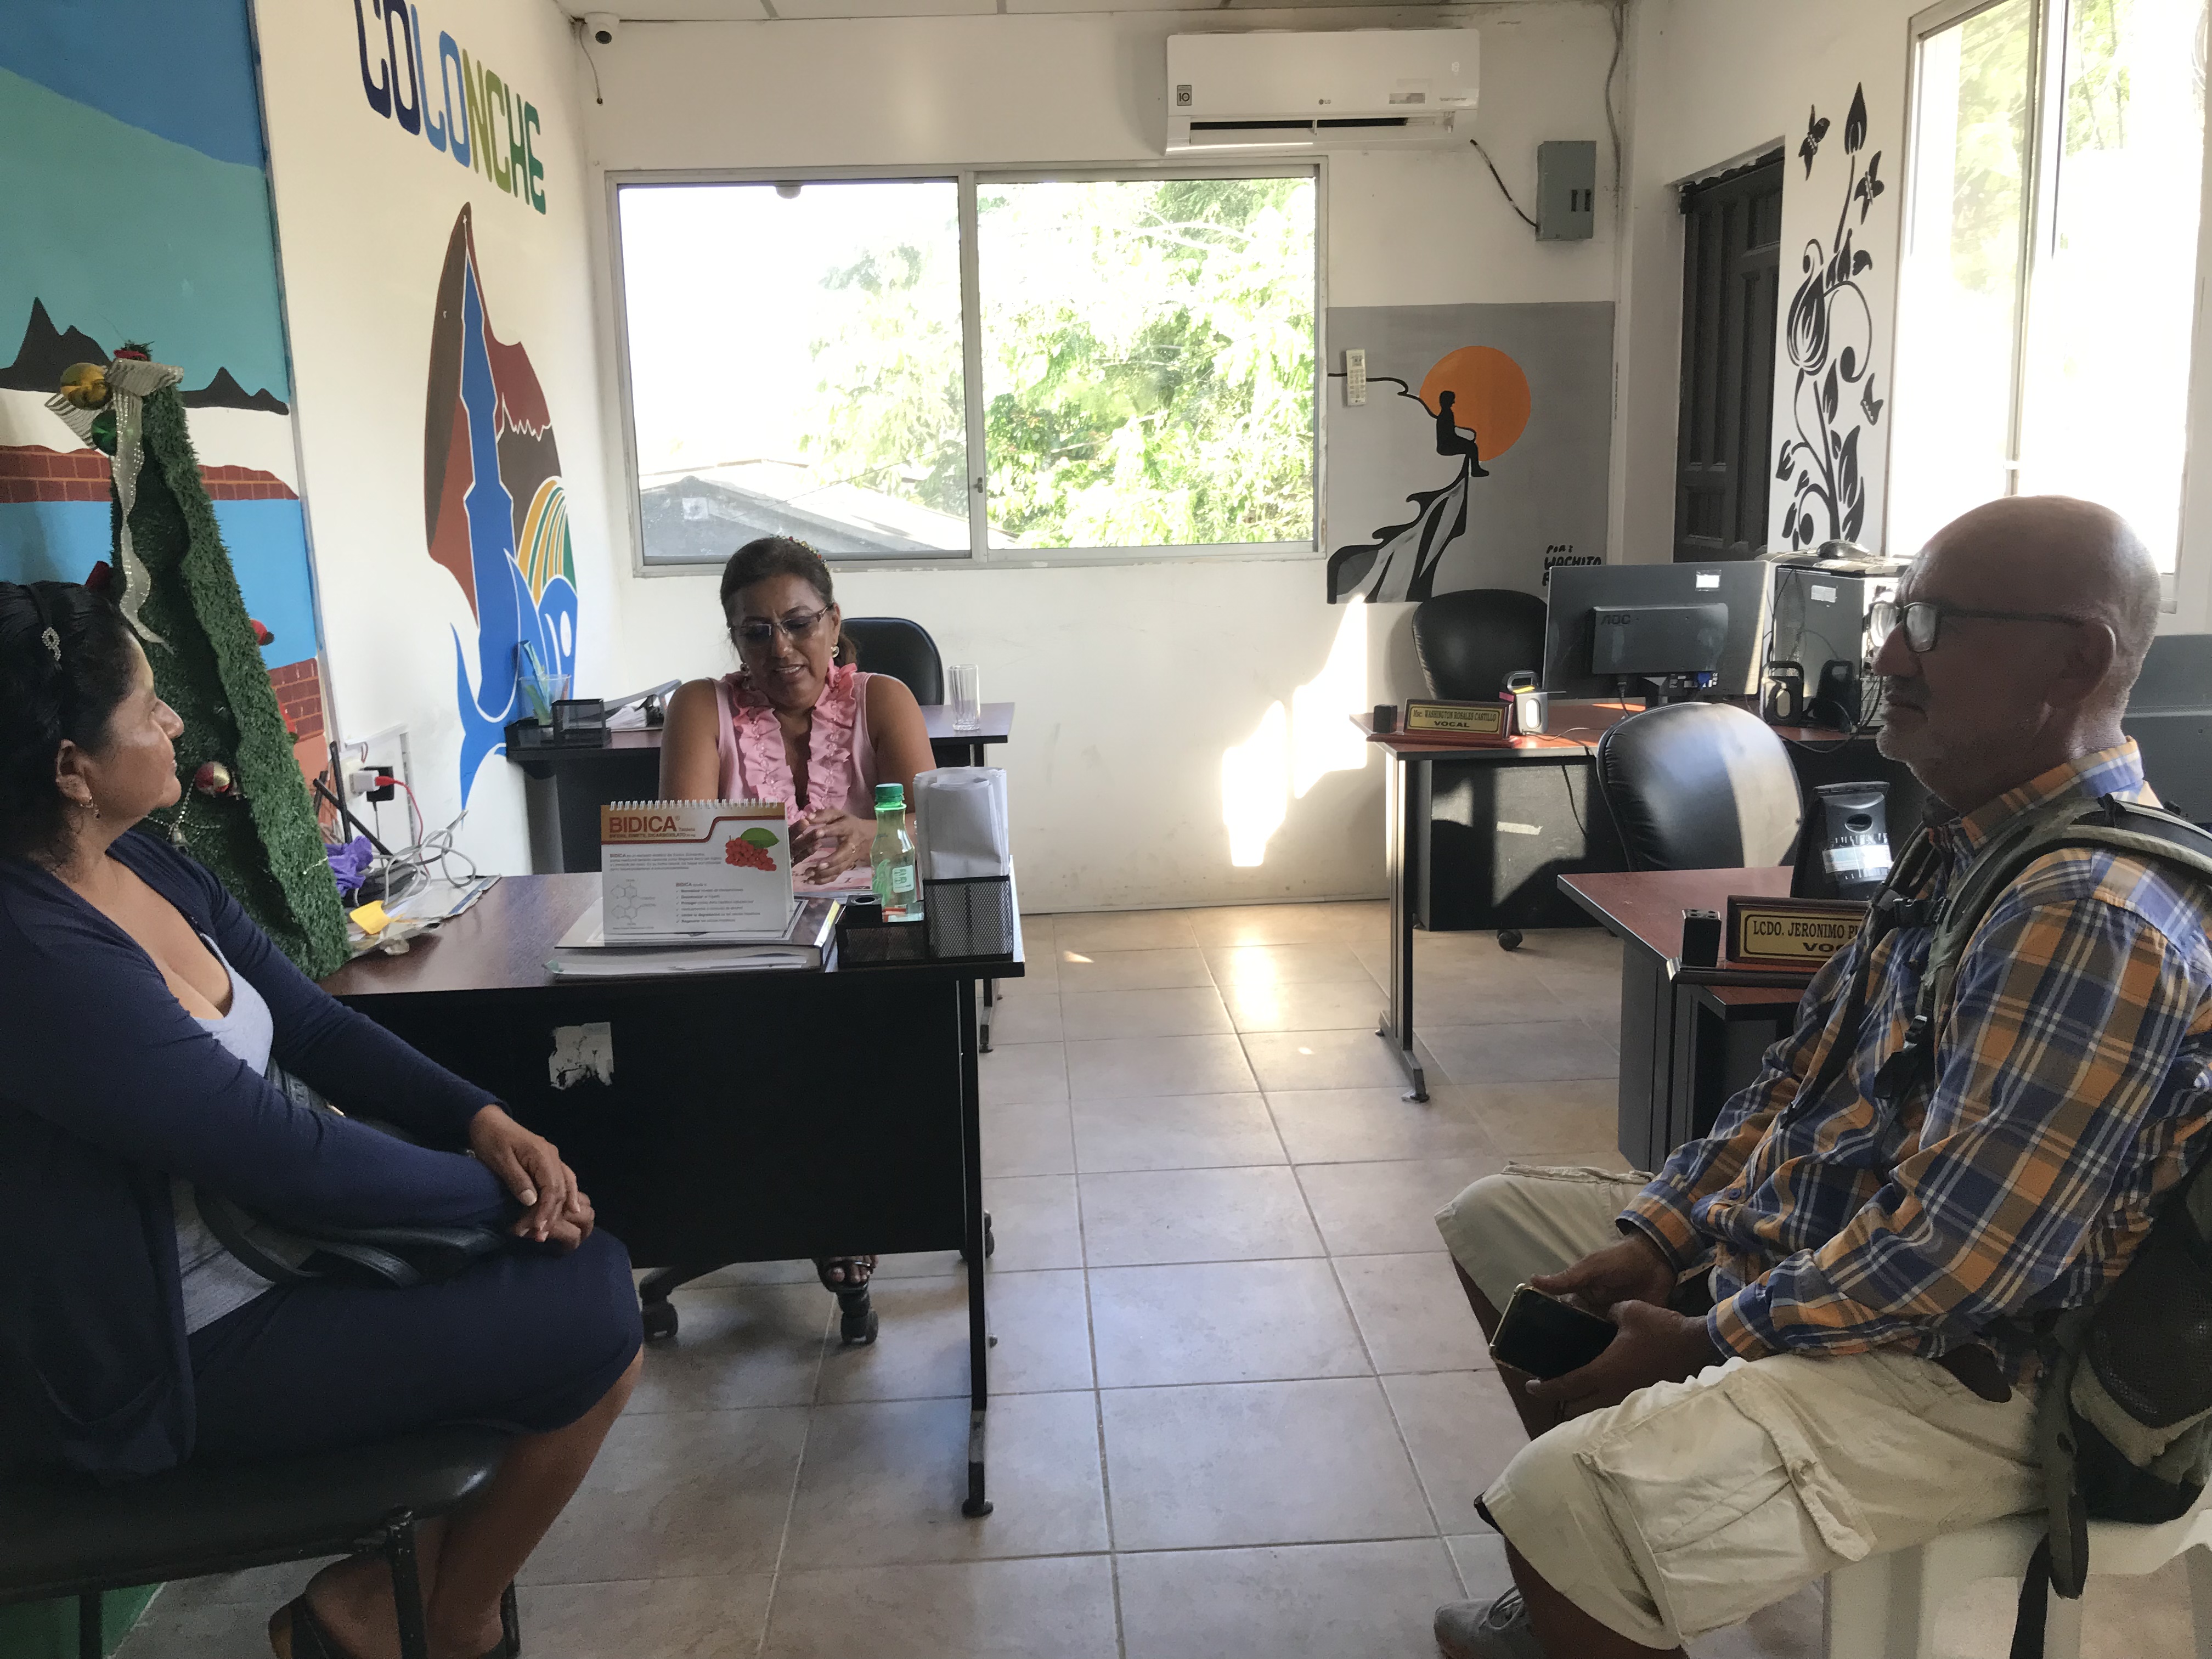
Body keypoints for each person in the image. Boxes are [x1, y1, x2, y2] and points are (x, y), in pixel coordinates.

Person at [1427, 496, 2212, 1658]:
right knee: (1500, 1225)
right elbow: (1799, 1088)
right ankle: (1634, 1571)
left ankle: (1603, 1555)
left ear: (2076, 662)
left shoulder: (2084, 911)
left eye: (1934, 625)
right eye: (1899, 616)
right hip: (1865, 1275)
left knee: (1560, 1507)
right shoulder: (1969, 844)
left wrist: (1710, 1337)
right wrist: (1661, 1236)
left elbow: (1961, 1258)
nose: (1886, 656)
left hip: (1997, 1372)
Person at [0, 581, 644, 1659]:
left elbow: (315, 1027)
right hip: (173, 1358)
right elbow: (286, 1158)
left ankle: (382, 1615)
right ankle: (443, 1622)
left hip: (281, 1263)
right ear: (73, 769)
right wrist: (506, 1190)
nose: (174, 722)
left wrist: (482, 1119)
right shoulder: (36, 958)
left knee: (582, 1297)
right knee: (589, 1308)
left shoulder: (139, 861)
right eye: (149, 707)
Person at [659, 535, 935, 1327]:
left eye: (799, 623)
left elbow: (935, 821)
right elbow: (683, 848)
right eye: (756, 632)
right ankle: (808, 1202)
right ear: (735, 638)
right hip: (744, 946)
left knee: (865, 1038)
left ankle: (842, 1204)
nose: (780, 649)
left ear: (834, 622)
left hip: (870, 939)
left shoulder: (882, 699)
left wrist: (872, 833)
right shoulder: (699, 707)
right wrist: (764, 851)